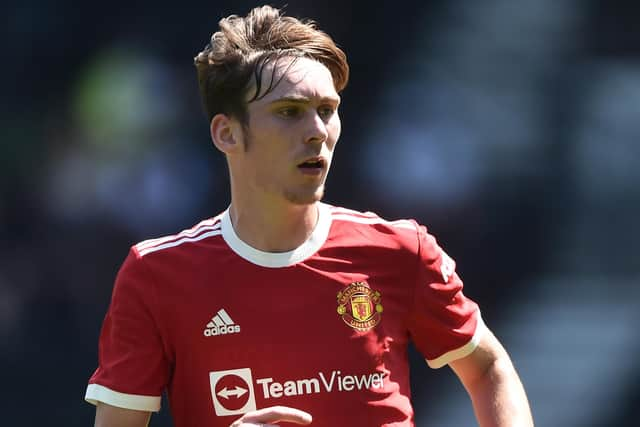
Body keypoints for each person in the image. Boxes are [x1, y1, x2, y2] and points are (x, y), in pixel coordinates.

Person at [85, 5, 533, 427]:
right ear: (227, 133)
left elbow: (489, 366)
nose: (317, 131)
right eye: (289, 113)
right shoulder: (156, 275)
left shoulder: (400, 251)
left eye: (327, 111)